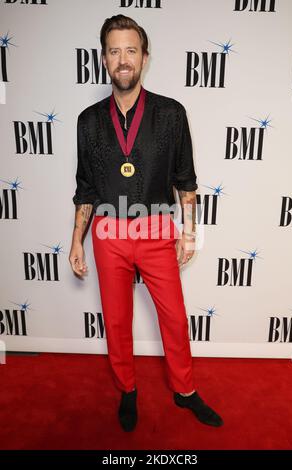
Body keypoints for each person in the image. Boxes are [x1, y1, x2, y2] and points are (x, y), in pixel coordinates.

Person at [69, 14, 223, 432]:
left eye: (131, 50)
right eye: (115, 51)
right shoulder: (87, 120)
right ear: (103, 59)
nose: (123, 59)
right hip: (107, 233)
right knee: (116, 321)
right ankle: (128, 390)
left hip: (156, 230)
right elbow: (85, 187)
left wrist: (189, 233)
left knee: (174, 316)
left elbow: (185, 180)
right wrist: (76, 241)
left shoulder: (172, 114)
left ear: (145, 58)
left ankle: (185, 390)